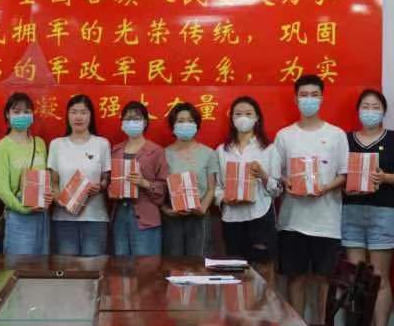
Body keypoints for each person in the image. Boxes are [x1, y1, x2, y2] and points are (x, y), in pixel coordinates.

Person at [274, 74, 348, 323]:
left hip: (327, 221)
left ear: (322, 98)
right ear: (296, 100)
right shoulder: (284, 135)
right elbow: (277, 174)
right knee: (295, 277)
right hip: (293, 220)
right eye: (304, 95)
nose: (309, 100)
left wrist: (325, 187)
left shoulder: (336, 134)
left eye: (314, 95)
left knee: (324, 279)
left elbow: (344, 174)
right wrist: (287, 182)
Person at [341, 89, 394, 326]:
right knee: (356, 278)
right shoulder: (345, 140)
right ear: (358, 111)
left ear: (383, 111)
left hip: (382, 212)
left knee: (379, 276)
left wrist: (384, 178)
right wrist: (347, 185)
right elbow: (340, 175)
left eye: (375, 106)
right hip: (352, 212)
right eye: (365, 106)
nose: (370, 111)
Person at [215, 96, 281, 287]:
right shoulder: (222, 151)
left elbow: (278, 189)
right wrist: (225, 199)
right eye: (238, 114)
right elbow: (217, 187)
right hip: (232, 218)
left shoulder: (268, 149)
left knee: (264, 269)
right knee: (235, 272)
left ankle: (265, 306)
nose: (243, 118)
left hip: (260, 215)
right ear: (232, 119)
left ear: (257, 118)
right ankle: (237, 307)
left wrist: (263, 176)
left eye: (248, 113)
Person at [48, 95, 111, 256]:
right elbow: (53, 182)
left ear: (91, 116)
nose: (78, 117)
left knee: (93, 267)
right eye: (74, 112)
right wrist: (58, 200)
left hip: (95, 218)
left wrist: (100, 186)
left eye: (83, 112)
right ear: (67, 115)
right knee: (67, 268)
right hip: (63, 219)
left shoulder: (102, 144)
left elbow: (106, 179)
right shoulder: (57, 144)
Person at [0, 92, 51, 255]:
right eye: (16, 111)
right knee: (19, 265)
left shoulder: (39, 143)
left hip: (42, 214)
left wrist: (49, 195)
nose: (22, 115)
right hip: (18, 214)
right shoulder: (3, 146)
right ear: (7, 114)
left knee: (41, 264)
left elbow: (47, 176)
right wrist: (22, 208)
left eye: (26, 111)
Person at [111, 101, 168, 256]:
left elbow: (164, 188)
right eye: (127, 118)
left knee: (146, 266)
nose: (132, 122)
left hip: (146, 217)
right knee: (120, 265)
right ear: (122, 123)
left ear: (145, 122)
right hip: (120, 215)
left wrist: (144, 183)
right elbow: (108, 180)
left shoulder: (156, 151)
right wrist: (110, 188)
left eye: (136, 118)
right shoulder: (115, 150)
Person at [162, 102, 217, 256]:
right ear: (173, 125)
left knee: (198, 263)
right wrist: (167, 210)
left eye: (190, 121)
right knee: (173, 264)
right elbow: (158, 188)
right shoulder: (163, 154)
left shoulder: (208, 153)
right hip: (173, 217)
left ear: (197, 125)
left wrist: (203, 208)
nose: (185, 124)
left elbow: (212, 188)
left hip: (200, 216)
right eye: (181, 121)